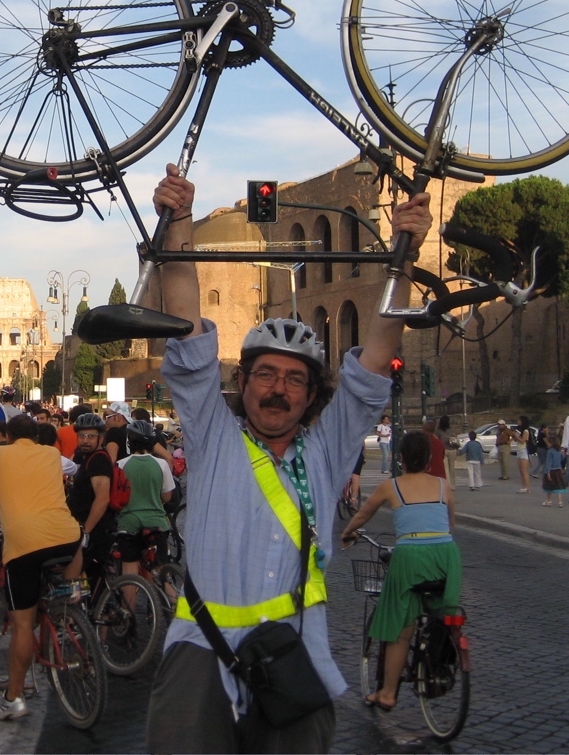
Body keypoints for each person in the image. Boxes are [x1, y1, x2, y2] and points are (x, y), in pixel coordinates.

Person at [143, 163, 432, 754]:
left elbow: (375, 358)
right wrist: (179, 226)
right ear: (243, 383)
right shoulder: (212, 437)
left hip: (294, 654)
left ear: (312, 394)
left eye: (294, 380)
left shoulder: (327, 453)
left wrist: (403, 255)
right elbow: (187, 333)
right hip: (201, 650)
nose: (277, 389)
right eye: (265, 375)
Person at [0, 413, 82, 721]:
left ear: (8, 437)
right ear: (37, 438)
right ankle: (70, 598)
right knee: (57, 577)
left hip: (24, 544)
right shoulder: (52, 454)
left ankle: (14, 699)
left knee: (22, 624)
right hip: (68, 537)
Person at [340, 431, 461, 712]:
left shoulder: (391, 486)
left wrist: (348, 533)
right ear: (430, 459)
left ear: (401, 458)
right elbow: (451, 523)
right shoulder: (443, 486)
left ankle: (388, 694)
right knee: (442, 616)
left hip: (410, 557)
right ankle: (437, 661)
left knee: (401, 629)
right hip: (447, 555)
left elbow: (362, 514)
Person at [115, 420, 175, 576]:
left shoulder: (120, 465)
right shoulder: (161, 464)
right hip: (156, 522)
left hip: (129, 522)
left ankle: (130, 599)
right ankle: (169, 597)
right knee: (160, 570)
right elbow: (167, 497)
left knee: (129, 570)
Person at [67, 412, 117, 588]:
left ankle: (104, 614)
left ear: (101, 438)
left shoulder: (99, 461)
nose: (85, 440)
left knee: (79, 575)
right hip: (86, 527)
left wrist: (86, 532)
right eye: (81, 436)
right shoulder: (88, 458)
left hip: (95, 530)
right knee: (94, 577)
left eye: (90, 436)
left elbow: (102, 499)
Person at [541, 433, 567, 506]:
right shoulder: (559, 451)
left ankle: (549, 501)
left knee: (549, 487)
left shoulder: (550, 451)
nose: (547, 443)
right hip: (558, 470)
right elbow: (562, 460)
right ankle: (560, 501)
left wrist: (547, 472)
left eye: (548, 442)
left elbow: (548, 462)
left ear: (552, 443)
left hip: (551, 470)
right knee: (559, 486)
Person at [512, 417, 531, 493]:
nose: (518, 421)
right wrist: (514, 435)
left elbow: (523, 441)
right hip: (519, 450)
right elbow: (515, 440)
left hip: (523, 450)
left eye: (519, 420)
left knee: (524, 470)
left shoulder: (526, 431)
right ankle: (523, 486)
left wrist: (516, 436)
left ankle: (526, 487)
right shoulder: (519, 430)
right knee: (520, 470)